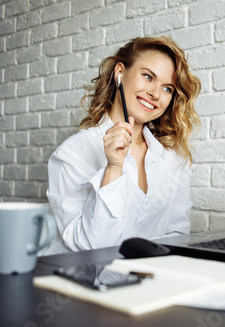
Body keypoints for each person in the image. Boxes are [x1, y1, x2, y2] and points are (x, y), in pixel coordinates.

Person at [45, 36, 201, 254]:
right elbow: (89, 250)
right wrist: (113, 169)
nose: (155, 94)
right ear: (120, 73)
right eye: (147, 76)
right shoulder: (73, 153)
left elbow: (177, 237)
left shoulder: (174, 161)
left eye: (167, 89)